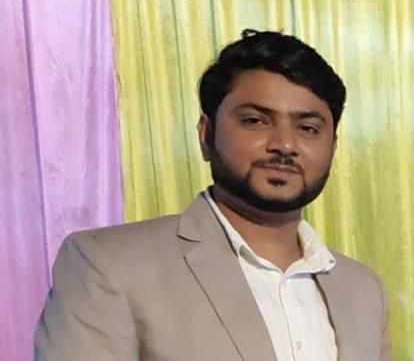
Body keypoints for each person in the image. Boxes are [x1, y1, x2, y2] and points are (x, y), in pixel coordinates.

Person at [34, 30, 392, 361]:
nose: (284, 144)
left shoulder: (363, 290)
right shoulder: (109, 264)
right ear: (206, 134)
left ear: (333, 146)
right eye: (255, 121)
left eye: (308, 128)